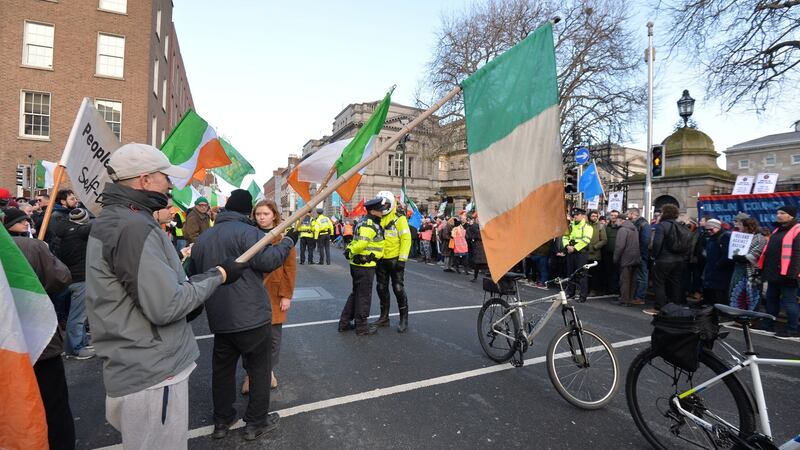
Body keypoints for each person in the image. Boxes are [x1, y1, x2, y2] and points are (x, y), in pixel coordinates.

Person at [85, 143, 245, 449]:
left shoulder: (120, 219)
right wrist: (218, 276)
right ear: (144, 180)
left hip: (138, 361)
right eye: (164, 176)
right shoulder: (133, 227)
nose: (170, 184)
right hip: (152, 371)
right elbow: (166, 304)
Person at [190, 190, 297, 441]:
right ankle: (256, 422)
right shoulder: (249, 233)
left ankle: (222, 419)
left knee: (223, 370)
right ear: (247, 211)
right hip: (251, 315)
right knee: (260, 369)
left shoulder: (205, 238)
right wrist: (289, 241)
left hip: (219, 315)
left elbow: (196, 275)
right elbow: (269, 260)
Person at [6, 208, 76, 449]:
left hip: (10, 347)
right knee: (53, 407)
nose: (28, 222)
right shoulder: (32, 247)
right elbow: (61, 278)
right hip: (37, 338)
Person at [240, 200, 297, 395]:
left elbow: (290, 268)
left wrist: (286, 295)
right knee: (250, 338)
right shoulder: (248, 235)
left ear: (274, 215)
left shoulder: (282, 239)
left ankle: (269, 371)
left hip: (274, 293)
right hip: (252, 293)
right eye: (258, 214)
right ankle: (250, 375)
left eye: (265, 214)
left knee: (273, 339)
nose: (261, 217)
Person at [339, 197, 385, 336]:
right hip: (365, 265)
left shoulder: (363, 222)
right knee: (364, 296)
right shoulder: (369, 224)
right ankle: (362, 327)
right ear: (373, 211)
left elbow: (356, 241)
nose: (382, 212)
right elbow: (361, 244)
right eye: (380, 210)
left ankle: (345, 322)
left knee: (356, 294)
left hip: (359, 264)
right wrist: (352, 251)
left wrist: (349, 251)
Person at [56, 207, 95, 360]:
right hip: (80, 278)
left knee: (78, 314)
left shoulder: (62, 231)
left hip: (67, 277)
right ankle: (75, 348)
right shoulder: (81, 233)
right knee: (78, 316)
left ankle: (81, 342)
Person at [370, 191, 412, 332]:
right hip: (380, 259)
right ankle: (384, 317)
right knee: (381, 288)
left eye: (385, 204)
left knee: (398, 289)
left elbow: (406, 239)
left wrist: (402, 259)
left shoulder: (399, 219)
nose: (383, 207)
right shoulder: (377, 218)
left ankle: (403, 319)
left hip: (395, 260)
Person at [757, 205, 800, 338]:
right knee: (771, 300)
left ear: (791, 216)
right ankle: (768, 326)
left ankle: (792, 330)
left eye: (782, 213)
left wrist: (792, 274)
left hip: (788, 275)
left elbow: (797, 254)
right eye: (778, 212)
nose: (778, 215)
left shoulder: (797, 230)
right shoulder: (777, 229)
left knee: (789, 302)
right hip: (773, 273)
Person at [645, 204, 687, 314]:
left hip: (663, 259)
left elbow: (657, 243)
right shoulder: (681, 226)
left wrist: (654, 256)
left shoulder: (662, 226)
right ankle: (675, 306)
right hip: (679, 259)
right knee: (675, 283)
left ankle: (660, 307)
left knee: (659, 283)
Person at [729, 216, 766, 311]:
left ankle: (751, 316)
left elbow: (756, 254)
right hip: (739, 268)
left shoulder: (759, 238)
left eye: (741, 225)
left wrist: (743, 257)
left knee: (751, 293)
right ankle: (737, 313)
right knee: (736, 290)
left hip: (751, 270)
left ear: (747, 226)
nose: (739, 227)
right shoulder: (739, 236)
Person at [560, 208, 593, 302]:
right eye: (574, 215)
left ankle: (583, 295)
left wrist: (574, 248)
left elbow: (586, 240)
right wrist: (567, 246)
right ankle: (571, 292)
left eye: (577, 215)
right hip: (570, 251)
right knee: (570, 273)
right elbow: (565, 236)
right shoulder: (571, 225)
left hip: (580, 252)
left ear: (583, 216)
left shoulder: (587, 227)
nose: (575, 216)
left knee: (581, 274)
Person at [701, 218, 734, 306]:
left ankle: (722, 312)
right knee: (713, 292)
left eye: (710, 229)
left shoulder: (725, 236)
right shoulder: (711, 237)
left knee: (721, 293)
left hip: (721, 270)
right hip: (711, 268)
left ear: (717, 227)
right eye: (706, 229)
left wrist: (718, 264)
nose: (708, 231)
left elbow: (727, 254)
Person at [614, 213, 642, 306]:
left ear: (621, 220)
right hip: (635, 257)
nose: (615, 222)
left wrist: (616, 258)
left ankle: (624, 300)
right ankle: (630, 299)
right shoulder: (634, 229)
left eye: (617, 220)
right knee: (632, 280)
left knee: (625, 280)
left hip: (626, 258)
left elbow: (619, 246)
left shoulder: (623, 230)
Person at [627, 207, 651, 305]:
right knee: (637, 275)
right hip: (636, 253)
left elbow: (645, 241)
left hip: (640, 254)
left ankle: (640, 297)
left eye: (628, 213)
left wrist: (640, 253)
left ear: (633, 214)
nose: (627, 215)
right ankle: (635, 295)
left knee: (642, 275)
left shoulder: (643, 224)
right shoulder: (637, 223)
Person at [585, 210, 607, 296]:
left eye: (595, 216)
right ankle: (585, 288)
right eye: (592, 216)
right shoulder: (586, 225)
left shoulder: (601, 226)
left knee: (595, 274)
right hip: (585, 253)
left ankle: (593, 290)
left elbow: (604, 240)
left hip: (595, 254)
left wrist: (595, 247)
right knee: (585, 273)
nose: (594, 217)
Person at [601, 210, 621, 295]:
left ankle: (615, 289)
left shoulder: (620, 227)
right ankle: (608, 288)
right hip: (607, 252)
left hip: (617, 253)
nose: (613, 217)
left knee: (616, 272)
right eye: (612, 215)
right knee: (607, 271)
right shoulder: (606, 226)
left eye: (615, 215)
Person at [466, 214, 487, 281]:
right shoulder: (474, 226)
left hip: (482, 245)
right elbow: (469, 235)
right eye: (477, 219)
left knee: (481, 263)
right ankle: (475, 276)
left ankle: (476, 276)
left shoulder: (482, 226)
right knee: (477, 263)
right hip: (478, 245)